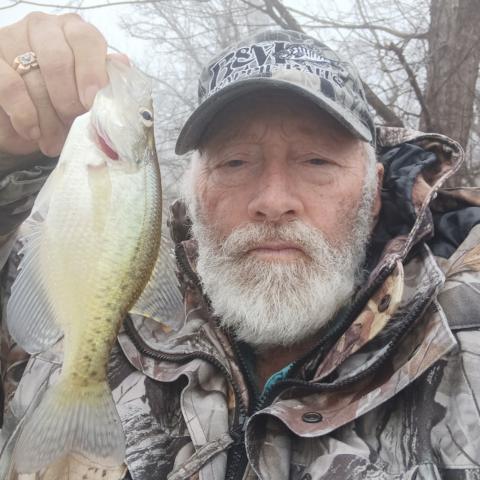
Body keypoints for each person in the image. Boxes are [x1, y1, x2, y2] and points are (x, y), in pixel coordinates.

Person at [0, 12, 480, 480]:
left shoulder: (466, 347)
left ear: (373, 194)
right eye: (234, 162)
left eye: (316, 161)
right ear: (193, 192)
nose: (272, 202)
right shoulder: (101, 301)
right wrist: (7, 157)